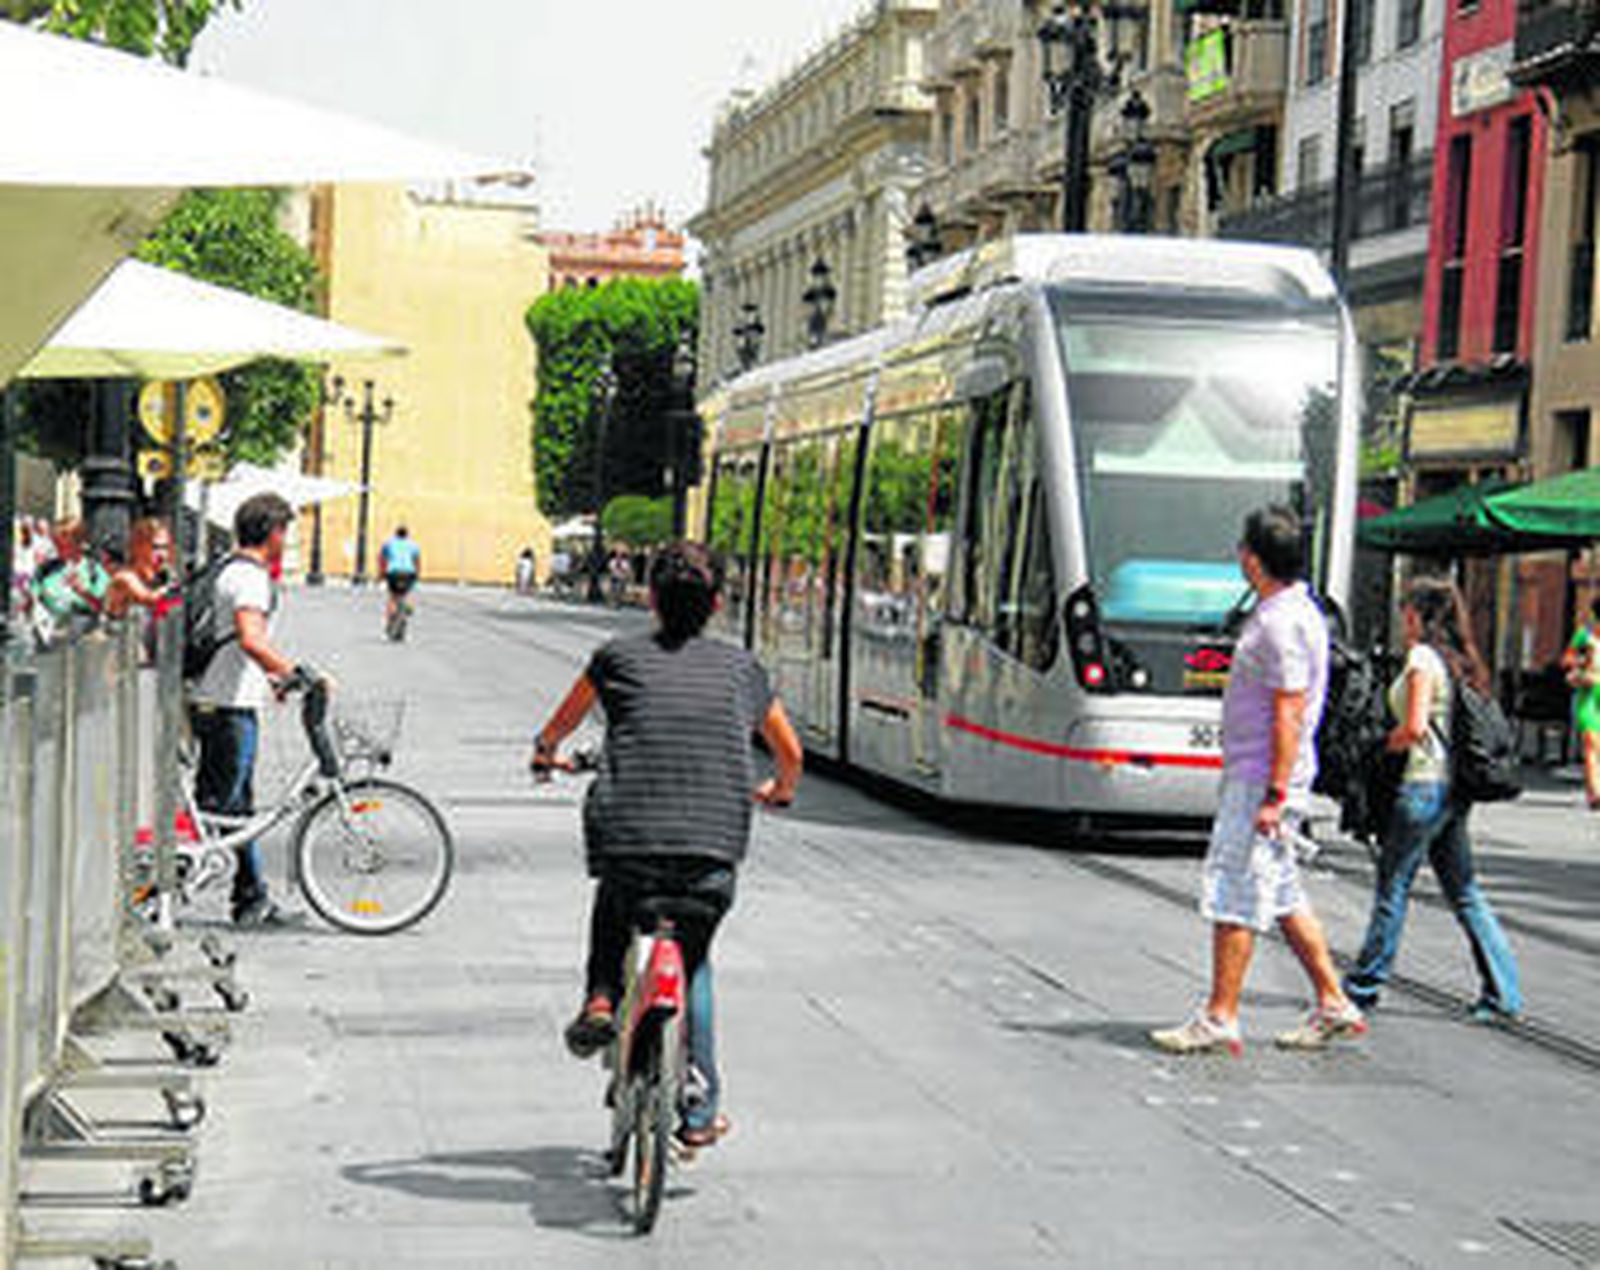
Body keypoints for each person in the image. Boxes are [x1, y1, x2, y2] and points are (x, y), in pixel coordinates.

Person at [531, 541, 803, 1148]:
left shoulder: (616, 657)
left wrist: (545, 750)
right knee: (696, 958)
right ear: (717, 602)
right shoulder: (743, 670)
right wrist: (779, 790)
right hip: (713, 850)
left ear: (649, 598)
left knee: (614, 909)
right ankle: (701, 1111)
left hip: (629, 838)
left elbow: (564, 721)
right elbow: (790, 753)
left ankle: (601, 1000)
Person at [1152, 506, 1366, 1055]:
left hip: (1261, 778)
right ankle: (1333, 1002)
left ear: (1254, 557)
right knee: (1284, 894)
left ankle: (1220, 1015)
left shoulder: (1280, 622)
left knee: (1235, 890)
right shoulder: (1291, 611)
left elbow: (1289, 711)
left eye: (1243, 547)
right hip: (1264, 772)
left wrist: (1274, 793)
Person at [1343, 577, 1523, 1021]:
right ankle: (1504, 994)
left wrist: (1379, 745)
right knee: (1464, 892)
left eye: (1406, 612)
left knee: (1394, 887)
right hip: (1451, 793)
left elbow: (1415, 727)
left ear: (1420, 616)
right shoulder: (1457, 660)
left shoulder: (1423, 658)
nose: (1403, 621)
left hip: (1422, 788)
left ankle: (1363, 986)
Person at [189, 493, 307, 928]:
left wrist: (272, 679)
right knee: (223, 807)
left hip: (218, 699)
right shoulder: (250, 579)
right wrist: (295, 672)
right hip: (228, 706)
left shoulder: (228, 569)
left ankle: (250, 895)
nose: (286, 539)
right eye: (285, 531)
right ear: (273, 532)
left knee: (235, 805)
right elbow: (250, 639)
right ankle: (172, 879)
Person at [107, 517, 179, 664]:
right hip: (118, 659)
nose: (162, 554)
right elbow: (148, 598)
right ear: (139, 546)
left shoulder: (160, 579)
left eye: (165, 547)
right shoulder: (125, 578)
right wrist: (173, 586)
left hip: (147, 660)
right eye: (155, 547)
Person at [31, 517, 110, 644]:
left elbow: (104, 607)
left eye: (64, 545)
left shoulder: (93, 570)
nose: (58, 550)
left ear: (79, 544)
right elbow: (33, 597)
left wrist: (82, 591)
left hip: (82, 644)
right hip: (49, 640)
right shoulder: (45, 570)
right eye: (56, 544)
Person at [1563, 596, 1600, 810]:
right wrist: (1581, 659)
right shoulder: (1583, 636)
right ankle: (1595, 794)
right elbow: (1566, 660)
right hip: (1588, 694)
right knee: (1590, 743)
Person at [378, 525, 421, 631]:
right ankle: (408, 607)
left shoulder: (388, 544)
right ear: (407, 535)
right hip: (408, 573)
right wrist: (416, 575)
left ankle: (390, 621)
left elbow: (382, 559)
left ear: (395, 534)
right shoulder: (413, 545)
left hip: (393, 573)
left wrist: (381, 574)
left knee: (393, 596)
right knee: (406, 593)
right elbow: (417, 561)